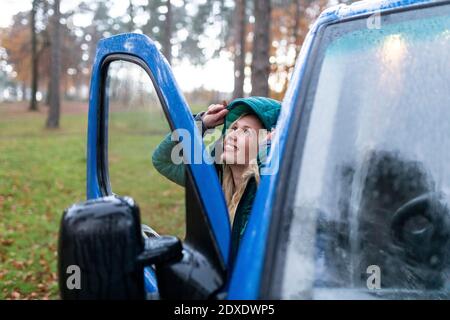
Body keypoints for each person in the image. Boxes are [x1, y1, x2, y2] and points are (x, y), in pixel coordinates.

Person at [152, 97, 281, 264]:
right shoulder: (213, 179)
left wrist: (273, 150)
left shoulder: (268, 192)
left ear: (267, 143)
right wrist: (201, 124)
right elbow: (163, 161)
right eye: (234, 127)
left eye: (246, 131)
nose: (233, 135)